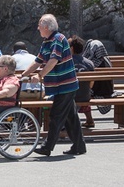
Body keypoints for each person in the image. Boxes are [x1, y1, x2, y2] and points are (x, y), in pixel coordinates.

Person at [21, 14, 86, 156]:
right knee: (70, 117)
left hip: (65, 85)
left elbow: (53, 60)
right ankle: (79, 146)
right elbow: (38, 61)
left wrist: (39, 75)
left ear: (46, 27)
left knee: (56, 115)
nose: (37, 28)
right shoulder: (46, 42)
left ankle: (47, 147)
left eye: (39, 25)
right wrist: (23, 75)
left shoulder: (58, 39)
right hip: (62, 85)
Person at [68, 36, 96, 128]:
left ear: (71, 48)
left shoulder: (66, 62)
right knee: (84, 89)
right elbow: (91, 83)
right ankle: (89, 120)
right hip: (85, 96)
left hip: (71, 96)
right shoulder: (89, 63)